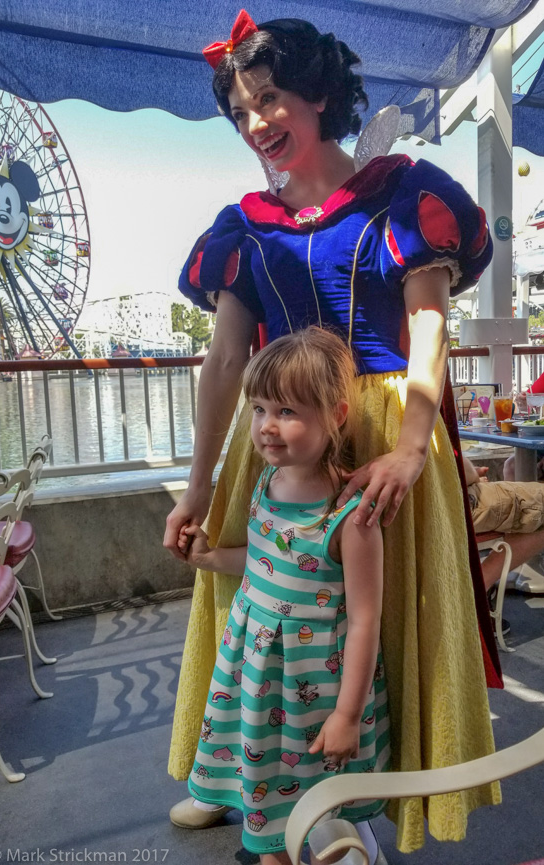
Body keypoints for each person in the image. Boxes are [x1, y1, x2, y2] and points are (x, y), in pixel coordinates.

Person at [164, 10, 501, 853]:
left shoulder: (401, 193)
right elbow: (223, 362)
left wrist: (410, 448)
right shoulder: (244, 226)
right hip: (276, 436)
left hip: (387, 427)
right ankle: (240, 776)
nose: (255, 125)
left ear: (316, 94)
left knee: (390, 615)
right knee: (246, 605)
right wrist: (201, 484)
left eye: (269, 98)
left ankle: (381, 796)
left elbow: (428, 330)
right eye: (241, 111)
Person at [173, 328, 389, 865]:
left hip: (315, 686)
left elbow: (365, 620)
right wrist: (209, 559)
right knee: (266, 783)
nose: (267, 426)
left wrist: (346, 715)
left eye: (288, 411)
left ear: (336, 415)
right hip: (257, 670)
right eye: (259, 408)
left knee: (318, 793)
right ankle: (274, 851)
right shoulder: (266, 481)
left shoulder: (353, 517)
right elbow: (264, 560)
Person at [464, 455, 544, 591]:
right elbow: (459, 470)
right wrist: (473, 475)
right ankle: (476, 590)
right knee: (531, 509)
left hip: (432, 506)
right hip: (457, 503)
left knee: (513, 466)